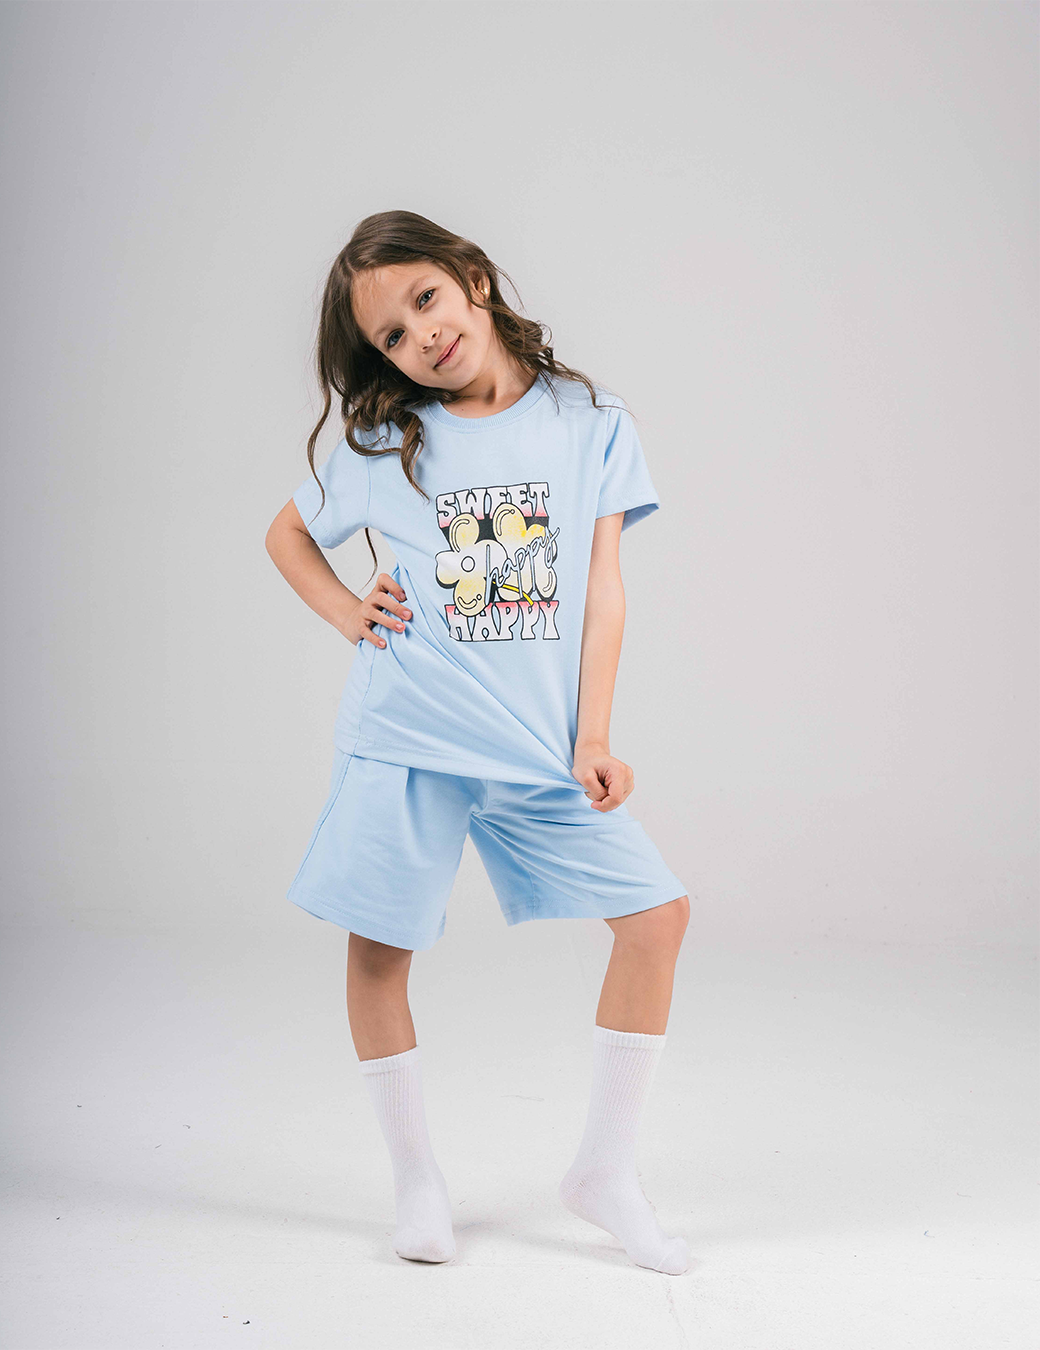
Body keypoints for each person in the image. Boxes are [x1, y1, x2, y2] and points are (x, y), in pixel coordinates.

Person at [265, 210, 692, 1276]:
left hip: (534, 746)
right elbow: (288, 534)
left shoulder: (590, 422)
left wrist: (593, 735)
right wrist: (347, 612)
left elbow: (603, 592)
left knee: (655, 920)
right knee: (378, 951)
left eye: (425, 300)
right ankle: (416, 1181)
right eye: (392, 337)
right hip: (408, 735)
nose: (421, 336)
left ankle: (604, 1172)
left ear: (472, 281)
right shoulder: (386, 443)